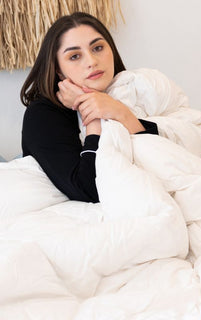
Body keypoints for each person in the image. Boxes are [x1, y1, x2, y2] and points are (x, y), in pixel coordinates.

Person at [20, 12, 159, 203]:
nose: (92, 61)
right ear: (58, 70)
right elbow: (88, 190)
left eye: (98, 47)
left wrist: (120, 112)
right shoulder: (42, 115)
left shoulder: (129, 90)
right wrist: (92, 112)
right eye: (75, 56)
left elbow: (160, 163)